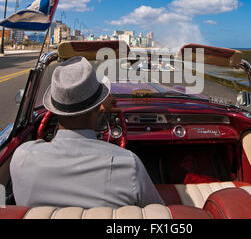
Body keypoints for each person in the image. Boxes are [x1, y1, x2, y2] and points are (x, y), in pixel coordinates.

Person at [10, 56, 164, 208]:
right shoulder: (129, 165)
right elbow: (156, 211)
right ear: (99, 106)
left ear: (54, 109)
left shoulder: (22, 157)